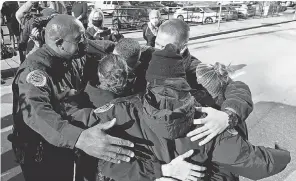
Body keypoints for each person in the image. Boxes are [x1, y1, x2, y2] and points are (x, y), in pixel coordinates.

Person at [72, 45, 291, 181]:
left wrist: (160, 171)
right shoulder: (209, 123)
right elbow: (257, 163)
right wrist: (284, 155)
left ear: (147, 80)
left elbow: (92, 148)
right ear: (182, 81)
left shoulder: (123, 110)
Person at [10, 14, 135, 181]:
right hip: (40, 150)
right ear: (59, 43)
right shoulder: (36, 71)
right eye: (79, 38)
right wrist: (79, 138)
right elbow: (36, 112)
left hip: (62, 143)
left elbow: (100, 46)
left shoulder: (72, 53)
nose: (84, 41)